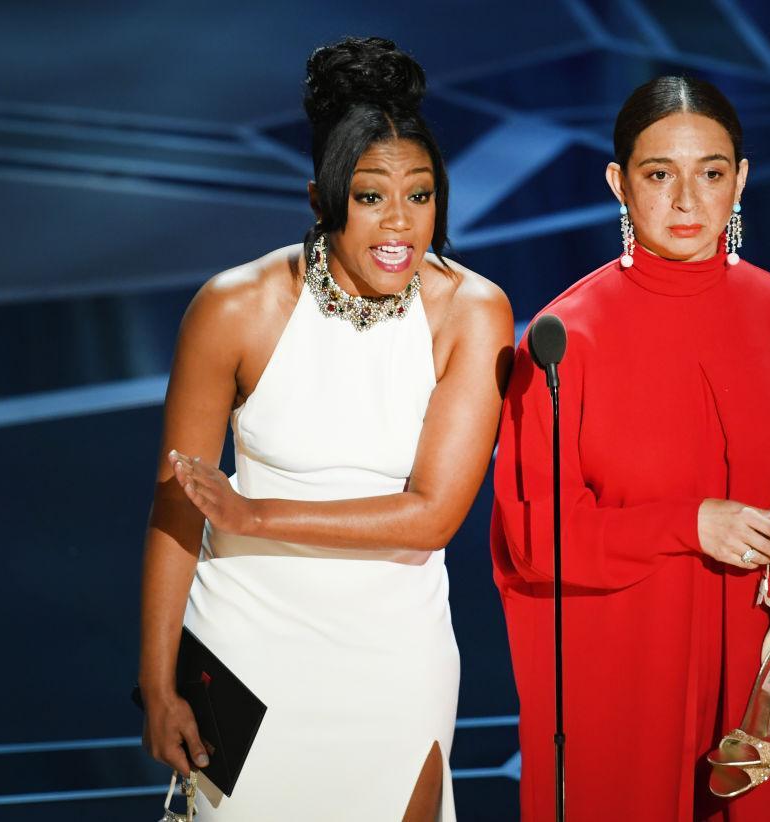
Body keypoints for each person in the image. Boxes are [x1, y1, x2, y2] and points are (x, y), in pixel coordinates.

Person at [138, 37, 513, 821]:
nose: (400, 223)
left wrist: (251, 514)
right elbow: (177, 504)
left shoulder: (472, 312)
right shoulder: (234, 307)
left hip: (392, 657)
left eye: (420, 194)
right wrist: (158, 678)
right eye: (372, 195)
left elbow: (435, 514)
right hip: (246, 644)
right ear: (321, 198)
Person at [491, 75, 770, 820]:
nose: (686, 200)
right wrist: (689, 523)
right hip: (626, 672)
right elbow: (534, 534)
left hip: (761, 671)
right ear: (618, 183)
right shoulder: (566, 334)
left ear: (741, 180)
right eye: (658, 174)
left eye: (710, 173)